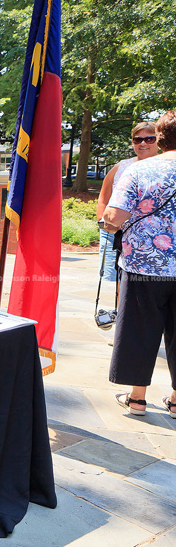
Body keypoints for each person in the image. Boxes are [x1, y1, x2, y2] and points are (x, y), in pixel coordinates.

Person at [102, 110, 176, 417]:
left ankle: (137, 399)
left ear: (159, 138)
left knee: (138, 330)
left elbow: (113, 217)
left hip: (144, 267)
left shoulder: (140, 170)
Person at [96, 122, 159, 281]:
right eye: (137, 140)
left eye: (149, 139)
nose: (143, 143)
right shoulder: (121, 166)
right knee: (119, 280)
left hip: (153, 239)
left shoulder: (167, 167)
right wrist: (103, 224)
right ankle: (120, 307)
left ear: (159, 140)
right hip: (116, 234)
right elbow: (104, 198)